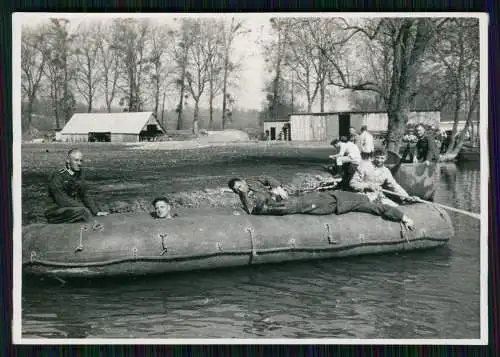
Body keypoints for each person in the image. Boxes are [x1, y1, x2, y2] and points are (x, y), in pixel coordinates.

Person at [229, 176, 415, 230]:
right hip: (323, 199)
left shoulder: (362, 202)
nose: (240, 189)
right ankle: (266, 209)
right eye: (237, 189)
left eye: (240, 186)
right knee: (297, 203)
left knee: (294, 206)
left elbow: (382, 208)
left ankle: (267, 210)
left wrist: (403, 217)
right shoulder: (356, 195)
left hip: (327, 204)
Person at [44, 148, 109, 224]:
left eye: (81, 161)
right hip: (55, 210)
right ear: (68, 161)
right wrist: (83, 207)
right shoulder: (58, 175)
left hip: (69, 208)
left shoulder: (79, 174)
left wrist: (96, 211)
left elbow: (84, 195)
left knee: (99, 208)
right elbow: (62, 199)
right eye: (76, 160)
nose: (79, 163)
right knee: (84, 212)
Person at [350, 147, 418, 207]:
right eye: (377, 157)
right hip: (363, 195)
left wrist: (408, 197)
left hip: (378, 196)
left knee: (395, 207)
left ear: (385, 159)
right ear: (374, 157)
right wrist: (369, 186)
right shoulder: (364, 166)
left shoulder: (386, 171)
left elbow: (395, 185)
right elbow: (353, 183)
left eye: (382, 158)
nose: (379, 160)